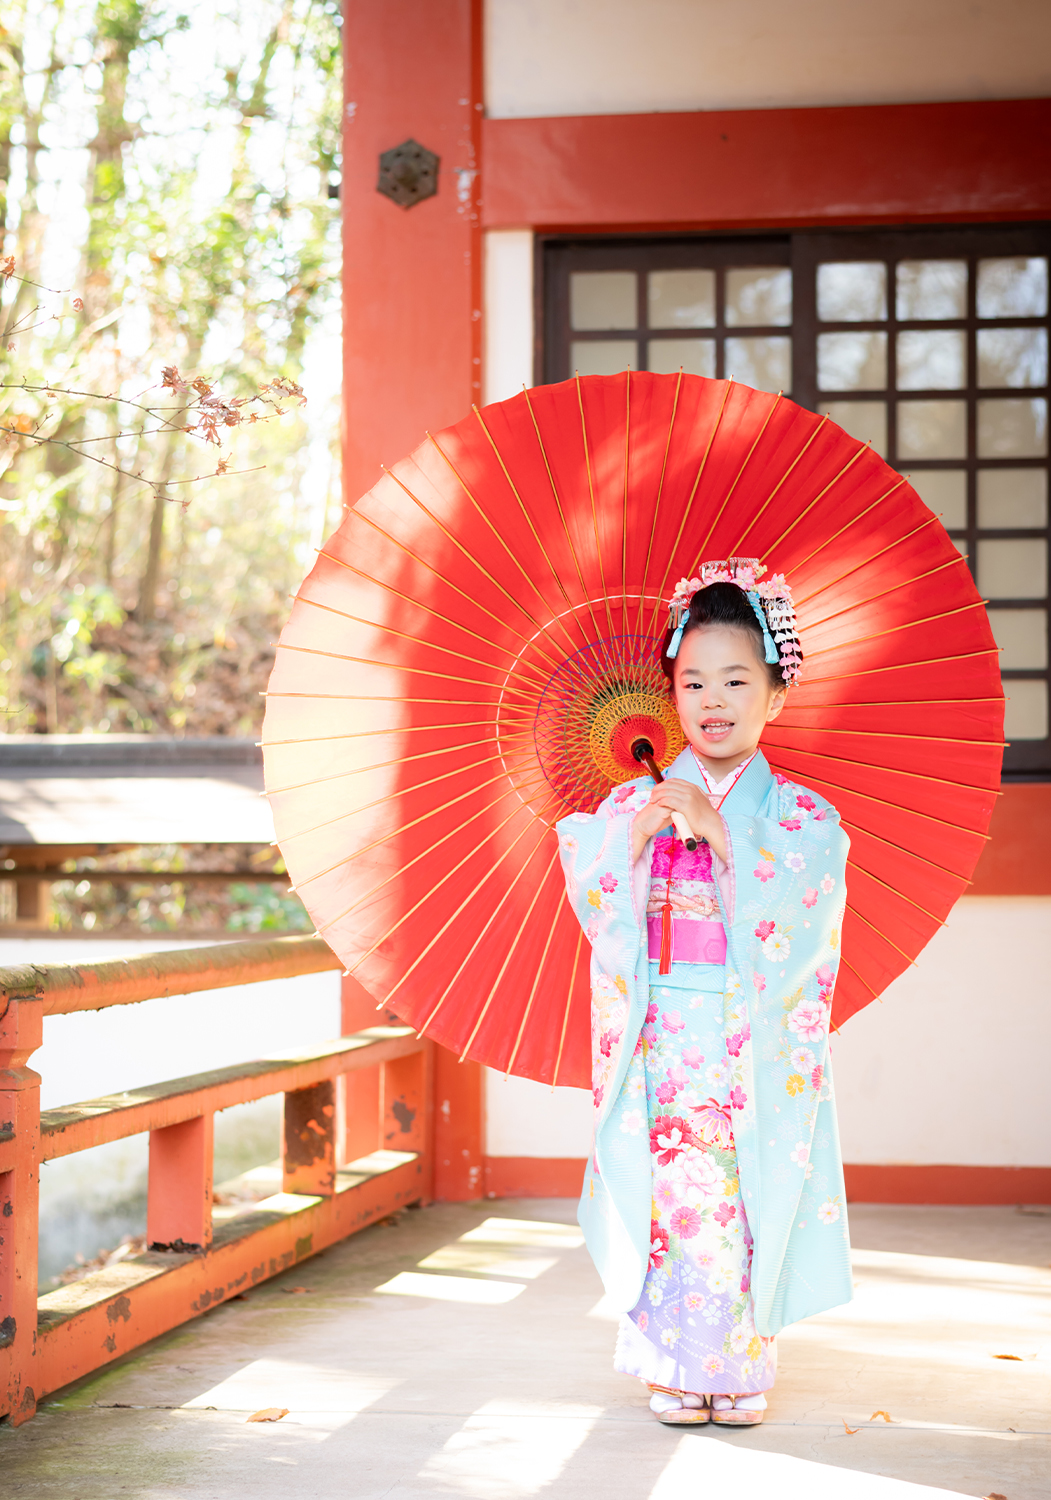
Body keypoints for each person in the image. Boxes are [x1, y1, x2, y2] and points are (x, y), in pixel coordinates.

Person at [556, 559, 852, 1427]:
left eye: (734, 680)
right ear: (671, 695)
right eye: (692, 681)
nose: (711, 700)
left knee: (741, 1190)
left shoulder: (797, 819)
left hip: (744, 1035)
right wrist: (634, 841)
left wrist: (726, 837)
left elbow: (807, 898)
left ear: (775, 698)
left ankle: (741, 1366)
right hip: (660, 1034)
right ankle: (672, 1364)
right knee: (672, 1195)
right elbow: (595, 892)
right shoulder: (633, 801)